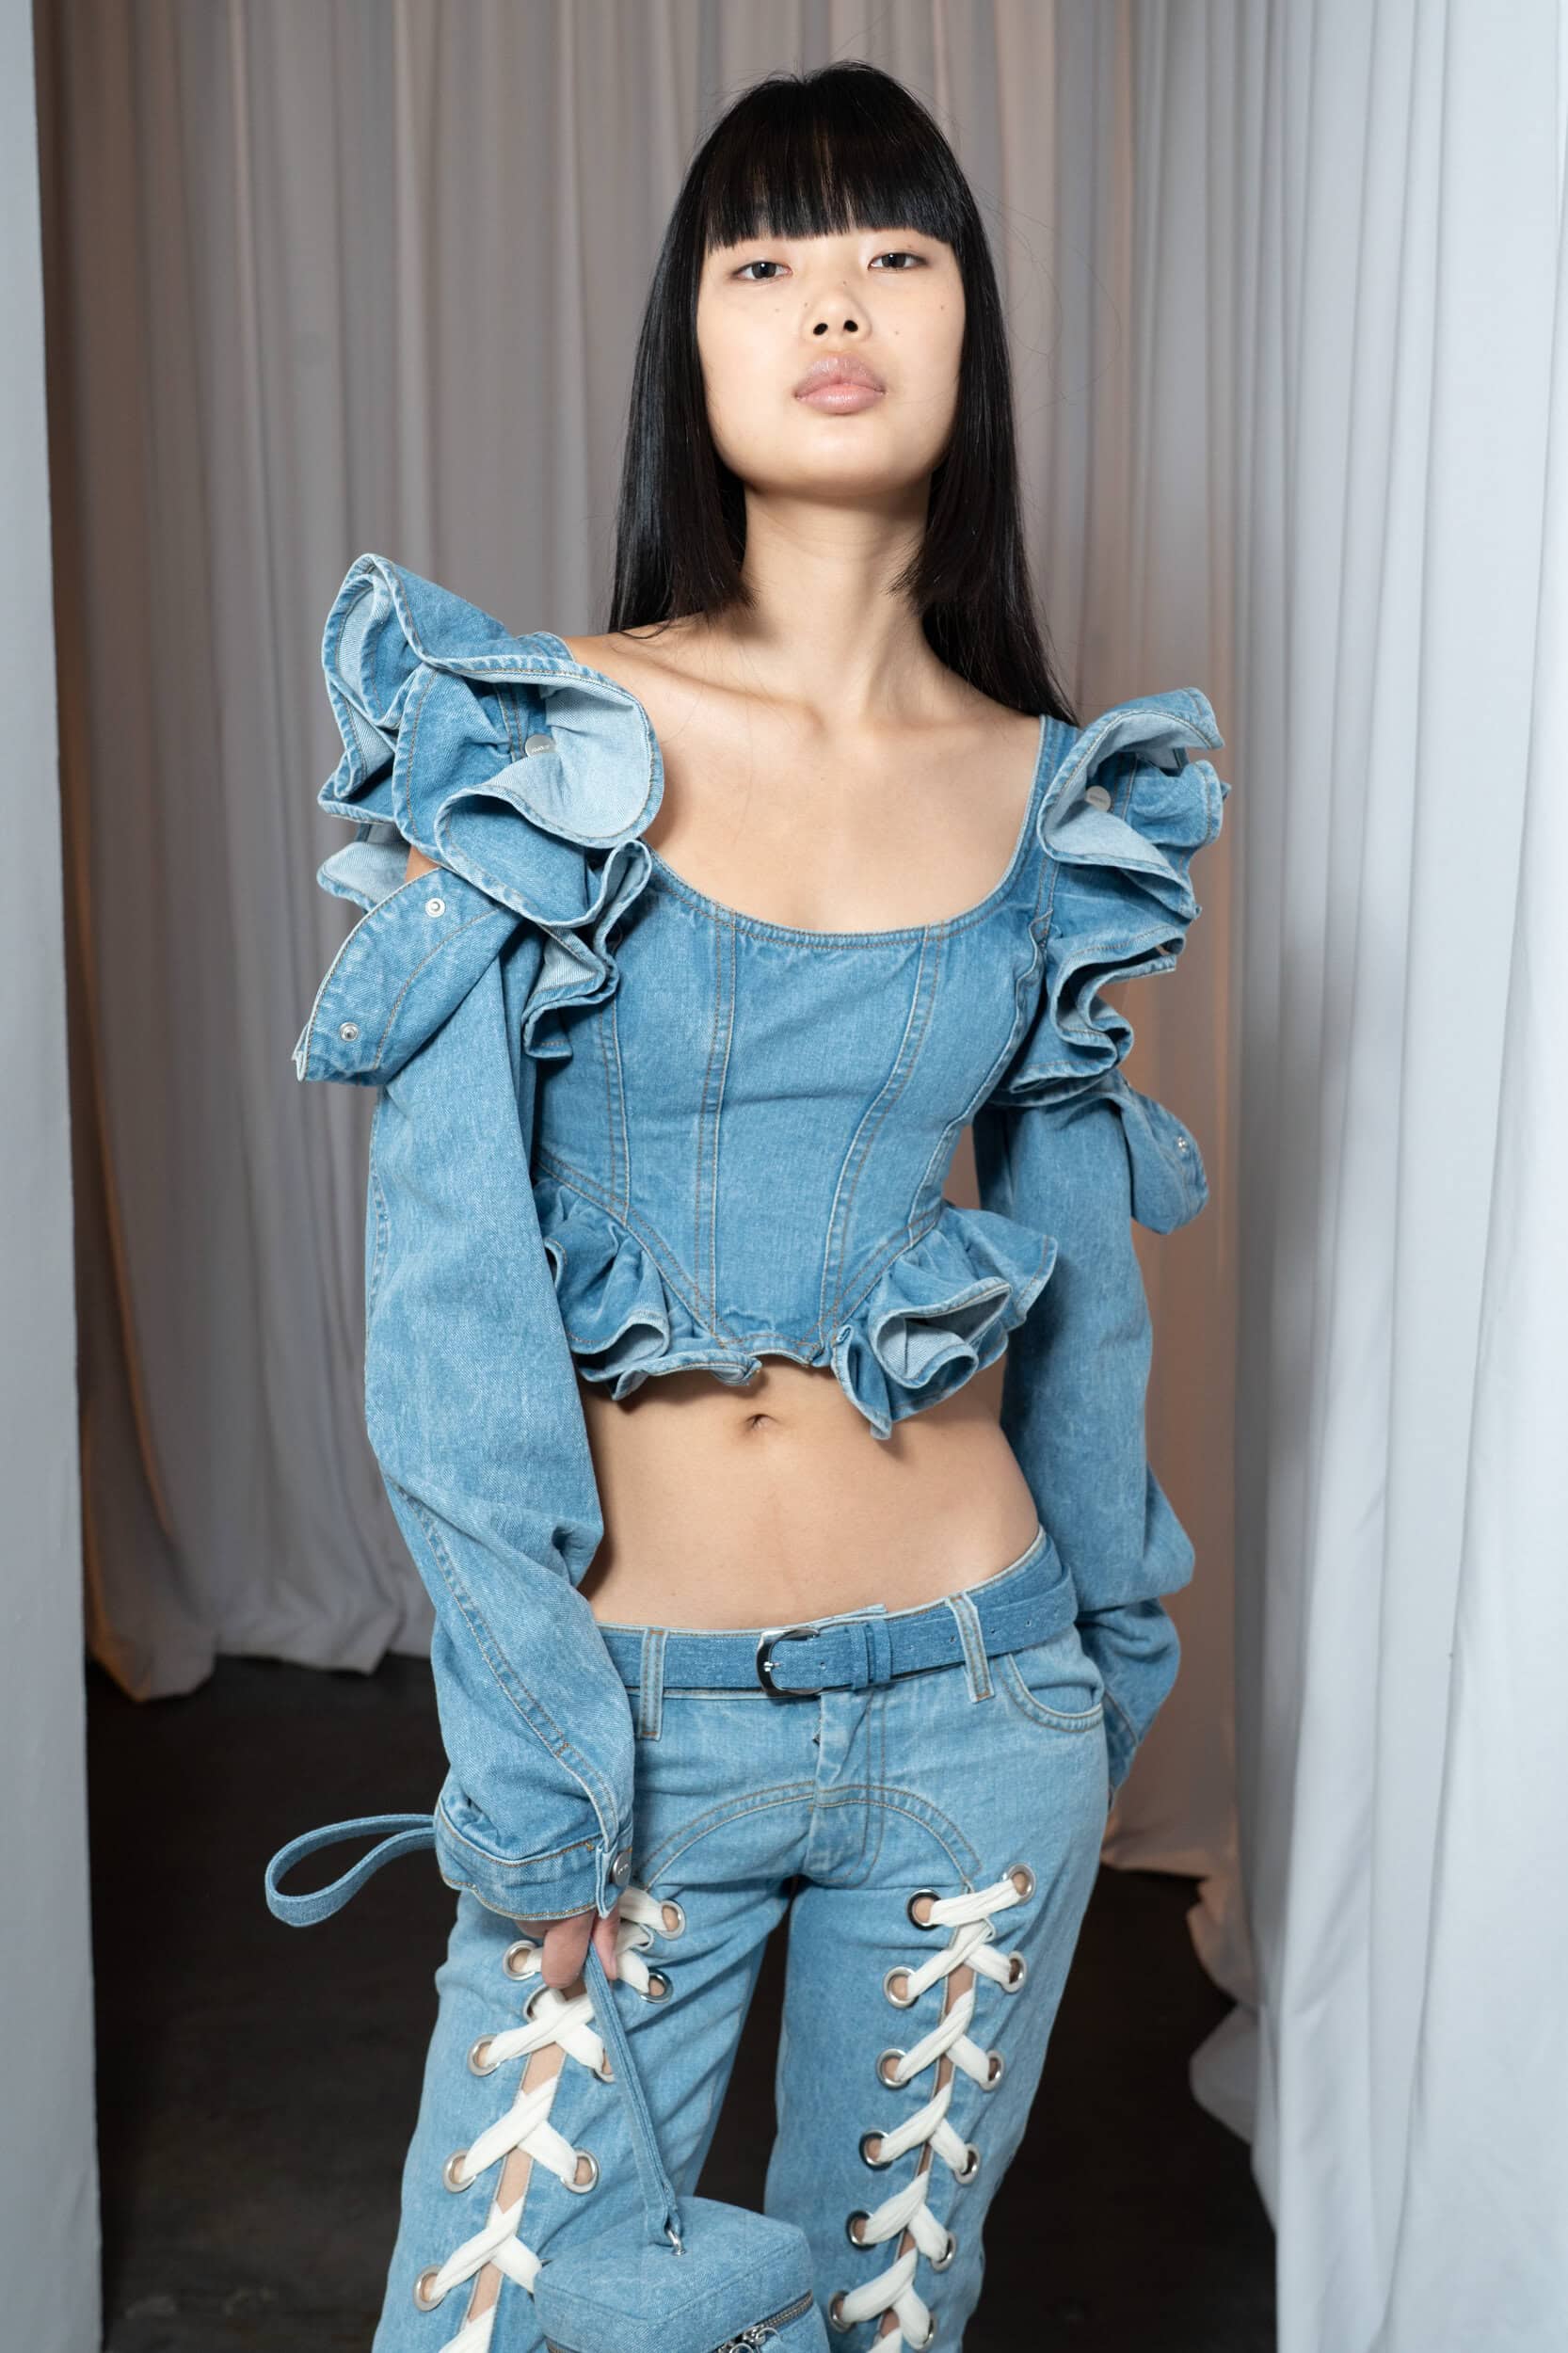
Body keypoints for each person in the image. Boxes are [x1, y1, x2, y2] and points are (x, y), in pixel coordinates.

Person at [265, 57, 1229, 2352]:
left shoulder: (1054, 795)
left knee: (886, 2324)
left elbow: (1081, 1297)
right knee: (496, 2318)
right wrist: (529, 1774)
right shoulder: (542, 749)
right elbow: (449, 1305)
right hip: (624, 1736)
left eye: (895, 249)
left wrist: (1106, 1665)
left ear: (966, 325)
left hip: (980, 1705)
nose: (834, 300)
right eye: (764, 255)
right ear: (685, 346)